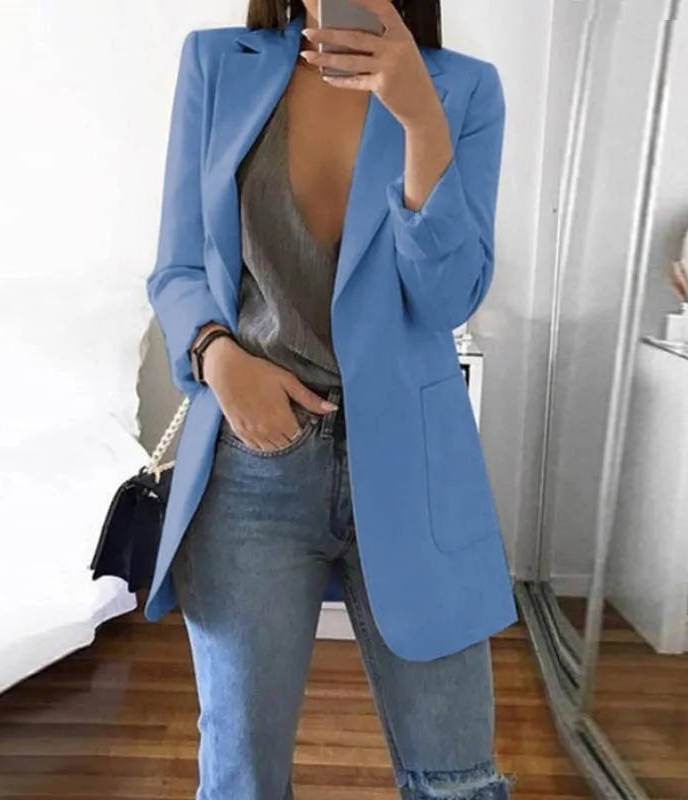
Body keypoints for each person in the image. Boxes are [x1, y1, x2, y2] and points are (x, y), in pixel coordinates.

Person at [147, 0, 518, 796]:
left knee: (457, 780)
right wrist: (218, 356)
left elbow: (447, 297)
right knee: (241, 779)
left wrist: (420, 120)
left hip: (413, 468)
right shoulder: (218, 64)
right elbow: (177, 268)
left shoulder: (463, 89)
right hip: (252, 464)